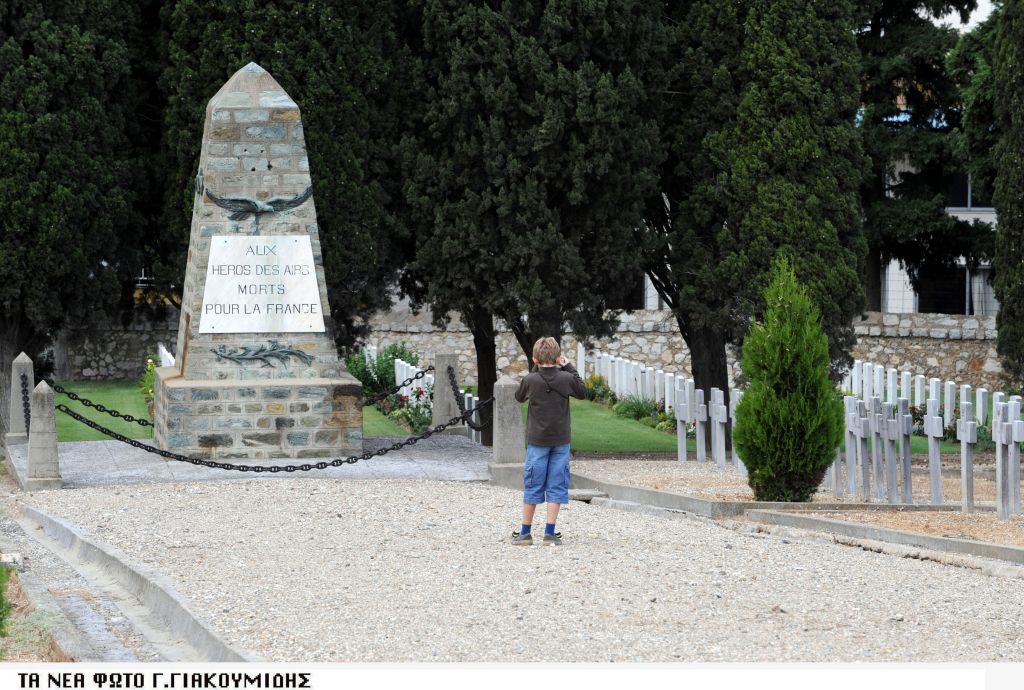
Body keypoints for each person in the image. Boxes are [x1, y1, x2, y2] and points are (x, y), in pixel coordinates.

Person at [511, 336, 587, 545]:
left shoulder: (530, 380)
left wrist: (535, 369)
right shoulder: (566, 378)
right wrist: (569, 366)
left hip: (537, 440)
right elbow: (582, 392)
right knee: (557, 484)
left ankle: (525, 532)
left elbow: (519, 396)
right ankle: (550, 532)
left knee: (533, 484)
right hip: (561, 439)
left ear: (535, 359)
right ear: (558, 358)